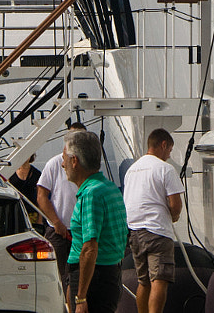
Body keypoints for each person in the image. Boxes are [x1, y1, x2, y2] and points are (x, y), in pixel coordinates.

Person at [64, 129, 126, 313]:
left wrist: (81, 297)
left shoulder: (91, 194)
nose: (62, 164)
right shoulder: (109, 187)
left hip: (93, 279)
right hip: (109, 274)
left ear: (74, 161)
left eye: (64, 158)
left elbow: (90, 247)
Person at [124, 129, 185, 313]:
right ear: (163, 144)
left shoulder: (131, 170)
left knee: (143, 282)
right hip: (157, 231)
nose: (169, 155)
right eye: (170, 150)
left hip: (135, 232)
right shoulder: (165, 168)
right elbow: (175, 204)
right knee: (159, 280)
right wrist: (174, 217)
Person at [37, 123, 86, 305]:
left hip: (80, 231)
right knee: (58, 277)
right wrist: (56, 222)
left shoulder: (87, 165)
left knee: (76, 279)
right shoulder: (55, 163)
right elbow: (41, 196)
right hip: (57, 230)